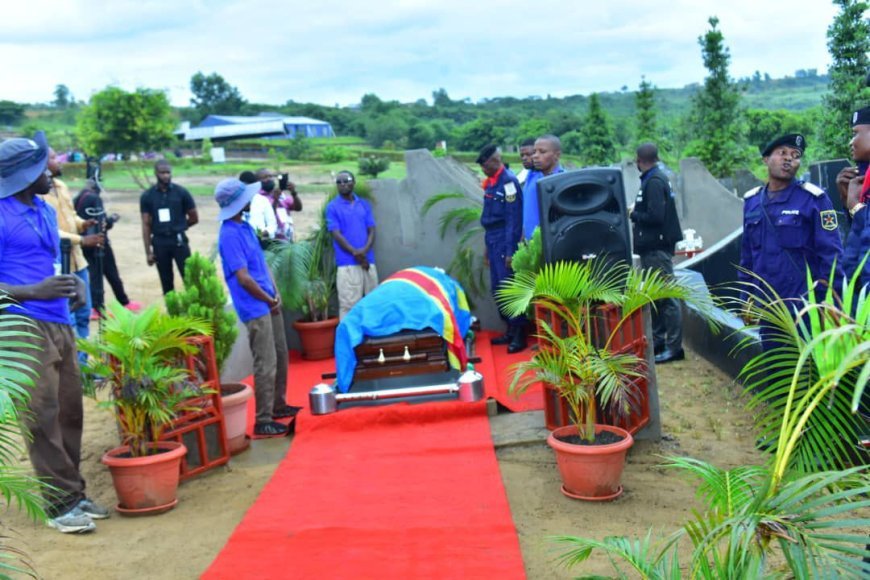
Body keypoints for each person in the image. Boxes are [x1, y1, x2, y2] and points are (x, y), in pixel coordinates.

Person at [0, 131, 109, 533]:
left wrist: (75, 285)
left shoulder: (45, 210)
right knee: (41, 414)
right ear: (22, 175)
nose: (51, 169)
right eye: (41, 165)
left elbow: (50, 265)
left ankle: (73, 491)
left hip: (59, 319)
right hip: (19, 325)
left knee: (69, 411)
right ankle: (59, 504)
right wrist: (32, 292)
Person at [215, 178, 298, 437]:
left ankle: (278, 405)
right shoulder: (229, 233)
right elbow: (243, 277)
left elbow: (260, 263)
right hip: (255, 305)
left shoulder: (245, 225)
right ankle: (263, 418)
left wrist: (274, 292)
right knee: (266, 361)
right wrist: (267, 298)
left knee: (280, 354)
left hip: (266, 299)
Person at [739, 134, 844, 323]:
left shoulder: (814, 200)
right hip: (768, 309)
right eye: (782, 153)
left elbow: (831, 256)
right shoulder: (752, 202)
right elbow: (747, 258)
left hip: (805, 308)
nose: (789, 158)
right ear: (766, 159)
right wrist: (746, 298)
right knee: (772, 353)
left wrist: (833, 304)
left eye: (795, 155)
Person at [630, 143, 684, 363]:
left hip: (656, 249)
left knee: (667, 297)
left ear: (639, 160)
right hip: (651, 249)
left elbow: (656, 216)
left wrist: (634, 214)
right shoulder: (654, 179)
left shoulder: (654, 181)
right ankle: (659, 341)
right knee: (657, 297)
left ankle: (674, 347)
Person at [44, 148, 103, 344]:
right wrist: (82, 240)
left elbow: (71, 215)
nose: (59, 161)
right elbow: (51, 230)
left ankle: (84, 363)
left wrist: (82, 224)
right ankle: (75, 364)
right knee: (69, 315)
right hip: (61, 261)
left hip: (79, 260)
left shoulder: (60, 185)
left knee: (84, 311)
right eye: (53, 158)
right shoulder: (39, 194)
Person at [477, 144, 527, 353]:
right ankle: (510, 330)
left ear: (493, 162)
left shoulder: (508, 182)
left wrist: (510, 251)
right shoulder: (492, 183)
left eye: (484, 165)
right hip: (493, 240)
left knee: (509, 289)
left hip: (505, 241)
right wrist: (488, 248)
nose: (482, 169)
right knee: (498, 290)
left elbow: (513, 221)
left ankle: (519, 335)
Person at [73, 179, 142, 315]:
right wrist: (112, 220)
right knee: (111, 274)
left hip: (85, 242)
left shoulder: (78, 199)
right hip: (99, 243)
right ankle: (120, 303)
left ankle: (95, 307)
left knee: (94, 275)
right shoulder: (95, 199)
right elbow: (101, 223)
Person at [326, 170, 378, 319]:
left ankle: (373, 340)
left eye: (346, 180)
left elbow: (372, 229)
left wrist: (364, 251)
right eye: (339, 182)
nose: (343, 184)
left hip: (368, 262)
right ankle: (350, 341)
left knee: (373, 302)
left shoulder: (364, 204)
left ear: (353, 183)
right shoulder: (332, 207)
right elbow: (336, 234)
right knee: (349, 306)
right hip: (347, 264)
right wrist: (356, 253)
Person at [140, 160, 198, 294]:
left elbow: (194, 217)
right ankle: (172, 311)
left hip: (179, 241)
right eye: (162, 173)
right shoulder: (147, 196)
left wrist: (180, 227)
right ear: (156, 173)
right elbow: (146, 225)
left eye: (168, 172)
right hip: (160, 243)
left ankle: (194, 310)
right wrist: (148, 252)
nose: (166, 175)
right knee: (166, 281)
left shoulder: (181, 192)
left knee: (189, 278)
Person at [839, 105, 870, 289]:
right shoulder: (862, 178)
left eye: (856, 133)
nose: (851, 142)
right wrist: (847, 203)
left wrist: (856, 208)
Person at [523, 134, 565, 240]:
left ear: (557, 155)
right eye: (534, 152)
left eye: (542, 152)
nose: (535, 156)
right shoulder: (532, 176)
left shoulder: (564, 181)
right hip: (531, 244)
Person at [256, 168, 303, 241]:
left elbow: (298, 208)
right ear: (257, 181)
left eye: (270, 176)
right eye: (265, 177)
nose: (269, 179)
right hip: (270, 241)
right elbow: (268, 217)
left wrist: (293, 193)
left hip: (286, 239)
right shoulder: (258, 198)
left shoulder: (281, 195)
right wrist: (275, 200)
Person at [241, 170, 277, 241]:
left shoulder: (262, 200)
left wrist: (260, 234)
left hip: (260, 242)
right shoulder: (235, 201)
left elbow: (272, 225)